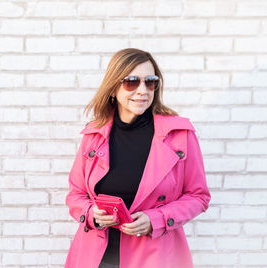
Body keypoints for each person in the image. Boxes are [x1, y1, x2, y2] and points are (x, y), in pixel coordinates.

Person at [64, 48, 211, 268]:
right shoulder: (94, 134)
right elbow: (76, 194)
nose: (142, 90)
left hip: (154, 256)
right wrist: (91, 214)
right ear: (113, 88)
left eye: (150, 82)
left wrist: (156, 220)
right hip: (96, 255)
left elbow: (198, 196)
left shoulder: (179, 135)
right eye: (131, 82)